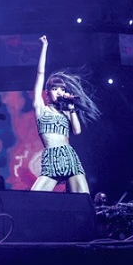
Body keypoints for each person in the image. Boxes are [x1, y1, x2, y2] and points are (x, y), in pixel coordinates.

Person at [31, 35, 100, 194]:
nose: (58, 92)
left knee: (83, 199)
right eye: (54, 89)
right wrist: (44, 47)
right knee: (34, 198)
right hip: (51, 158)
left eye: (62, 89)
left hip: (69, 156)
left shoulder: (66, 111)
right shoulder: (41, 108)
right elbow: (40, 73)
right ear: (47, 92)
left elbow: (77, 131)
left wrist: (71, 108)